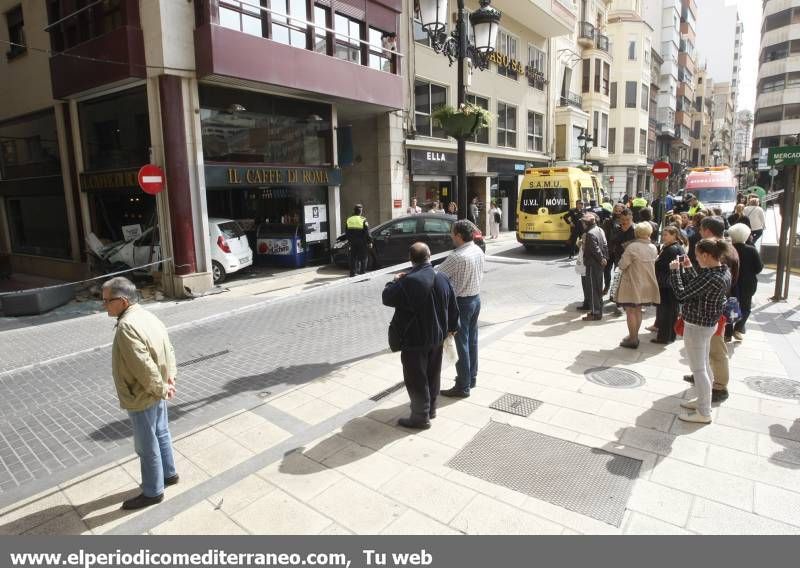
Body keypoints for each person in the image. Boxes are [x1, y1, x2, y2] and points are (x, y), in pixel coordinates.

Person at [102, 277, 178, 510]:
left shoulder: (126, 326)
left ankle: (153, 491)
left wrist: (162, 387)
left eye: (107, 301)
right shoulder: (147, 315)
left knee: (147, 445)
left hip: (142, 393)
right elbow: (169, 347)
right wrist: (169, 379)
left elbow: (142, 366)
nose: (103, 305)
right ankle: (169, 474)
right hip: (157, 388)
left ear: (123, 301)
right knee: (161, 432)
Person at [382, 243, 459, 429]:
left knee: (416, 378)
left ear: (411, 259)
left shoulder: (408, 281)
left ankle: (419, 417)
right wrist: (452, 328)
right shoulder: (442, 278)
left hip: (414, 340)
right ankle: (431, 408)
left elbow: (387, 297)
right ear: (430, 256)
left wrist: (394, 280)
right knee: (433, 374)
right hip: (437, 337)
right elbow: (453, 307)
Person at [670, 239, 731, 424]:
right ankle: (704, 401)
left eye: (697, 255)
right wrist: (688, 269)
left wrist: (675, 272)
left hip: (697, 326)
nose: (695, 259)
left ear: (706, 255)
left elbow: (682, 294)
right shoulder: (721, 271)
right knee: (704, 365)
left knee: (698, 369)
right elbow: (697, 287)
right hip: (707, 325)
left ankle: (704, 412)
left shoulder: (710, 277)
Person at [684, 216, 739, 403]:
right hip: (713, 308)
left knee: (716, 350)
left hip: (712, 310)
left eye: (701, 229)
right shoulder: (720, 250)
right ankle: (704, 379)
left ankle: (719, 386)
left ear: (708, 231)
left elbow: (712, 281)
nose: (699, 232)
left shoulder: (721, 255)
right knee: (707, 352)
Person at [439, 220, 485, 399]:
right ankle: (471, 378)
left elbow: (438, 273)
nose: (451, 236)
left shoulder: (457, 257)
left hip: (461, 304)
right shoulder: (478, 250)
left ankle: (462, 385)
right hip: (475, 300)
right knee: (472, 341)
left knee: (461, 345)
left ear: (459, 235)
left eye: (452, 233)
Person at [615, 222, 660, 348]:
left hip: (633, 283)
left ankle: (633, 338)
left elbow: (622, 265)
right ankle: (634, 335)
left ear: (637, 233)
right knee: (638, 310)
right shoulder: (653, 247)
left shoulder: (632, 247)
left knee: (630, 311)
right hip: (647, 283)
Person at [727, 223, 764, 341]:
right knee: (745, 307)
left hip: (731, 283)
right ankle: (738, 329)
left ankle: (727, 333)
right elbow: (759, 267)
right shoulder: (751, 250)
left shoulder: (728, 249)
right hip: (748, 284)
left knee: (729, 306)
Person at [652, 226, 685, 344]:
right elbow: (681, 263)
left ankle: (663, 337)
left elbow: (662, 265)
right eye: (663, 234)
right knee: (673, 310)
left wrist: (656, 261)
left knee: (666, 311)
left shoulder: (671, 249)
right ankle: (671, 335)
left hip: (666, 283)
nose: (663, 237)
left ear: (674, 235)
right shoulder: (680, 248)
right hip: (674, 282)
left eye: (666, 234)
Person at [578, 213, 608, 321]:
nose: (582, 224)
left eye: (583, 222)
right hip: (599, 264)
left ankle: (595, 313)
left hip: (593, 264)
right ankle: (598, 310)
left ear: (586, 223)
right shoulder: (600, 230)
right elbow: (605, 245)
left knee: (593, 288)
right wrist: (605, 258)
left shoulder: (590, 233)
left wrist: (601, 258)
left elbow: (595, 249)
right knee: (598, 287)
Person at [601, 203, 625, 294]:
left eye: (620, 211)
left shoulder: (625, 221)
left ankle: (615, 291)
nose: (618, 212)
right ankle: (607, 287)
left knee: (618, 271)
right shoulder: (608, 220)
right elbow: (604, 234)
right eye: (616, 210)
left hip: (619, 250)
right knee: (606, 271)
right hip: (609, 250)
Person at [345, 204, 372, 277]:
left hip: (352, 242)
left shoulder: (349, 219)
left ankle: (352, 273)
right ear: (361, 211)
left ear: (354, 211)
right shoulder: (363, 219)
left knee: (353, 258)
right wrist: (370, 241)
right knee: (363, 257)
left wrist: (349, 241)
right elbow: (367, 232)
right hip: (362, 242)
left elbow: (346, 232)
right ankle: (362, 273)